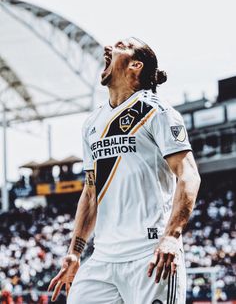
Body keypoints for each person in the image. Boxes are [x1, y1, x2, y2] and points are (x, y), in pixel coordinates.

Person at [48, 37, 201, 304]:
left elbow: (188, 175)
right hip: (103, 258)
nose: (108, 47)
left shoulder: (158, 112)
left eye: (120, 45)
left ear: (135, 65)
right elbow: (91, 191)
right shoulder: (92, 123)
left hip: (149, 254)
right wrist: (74, 252)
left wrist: (172, 237)